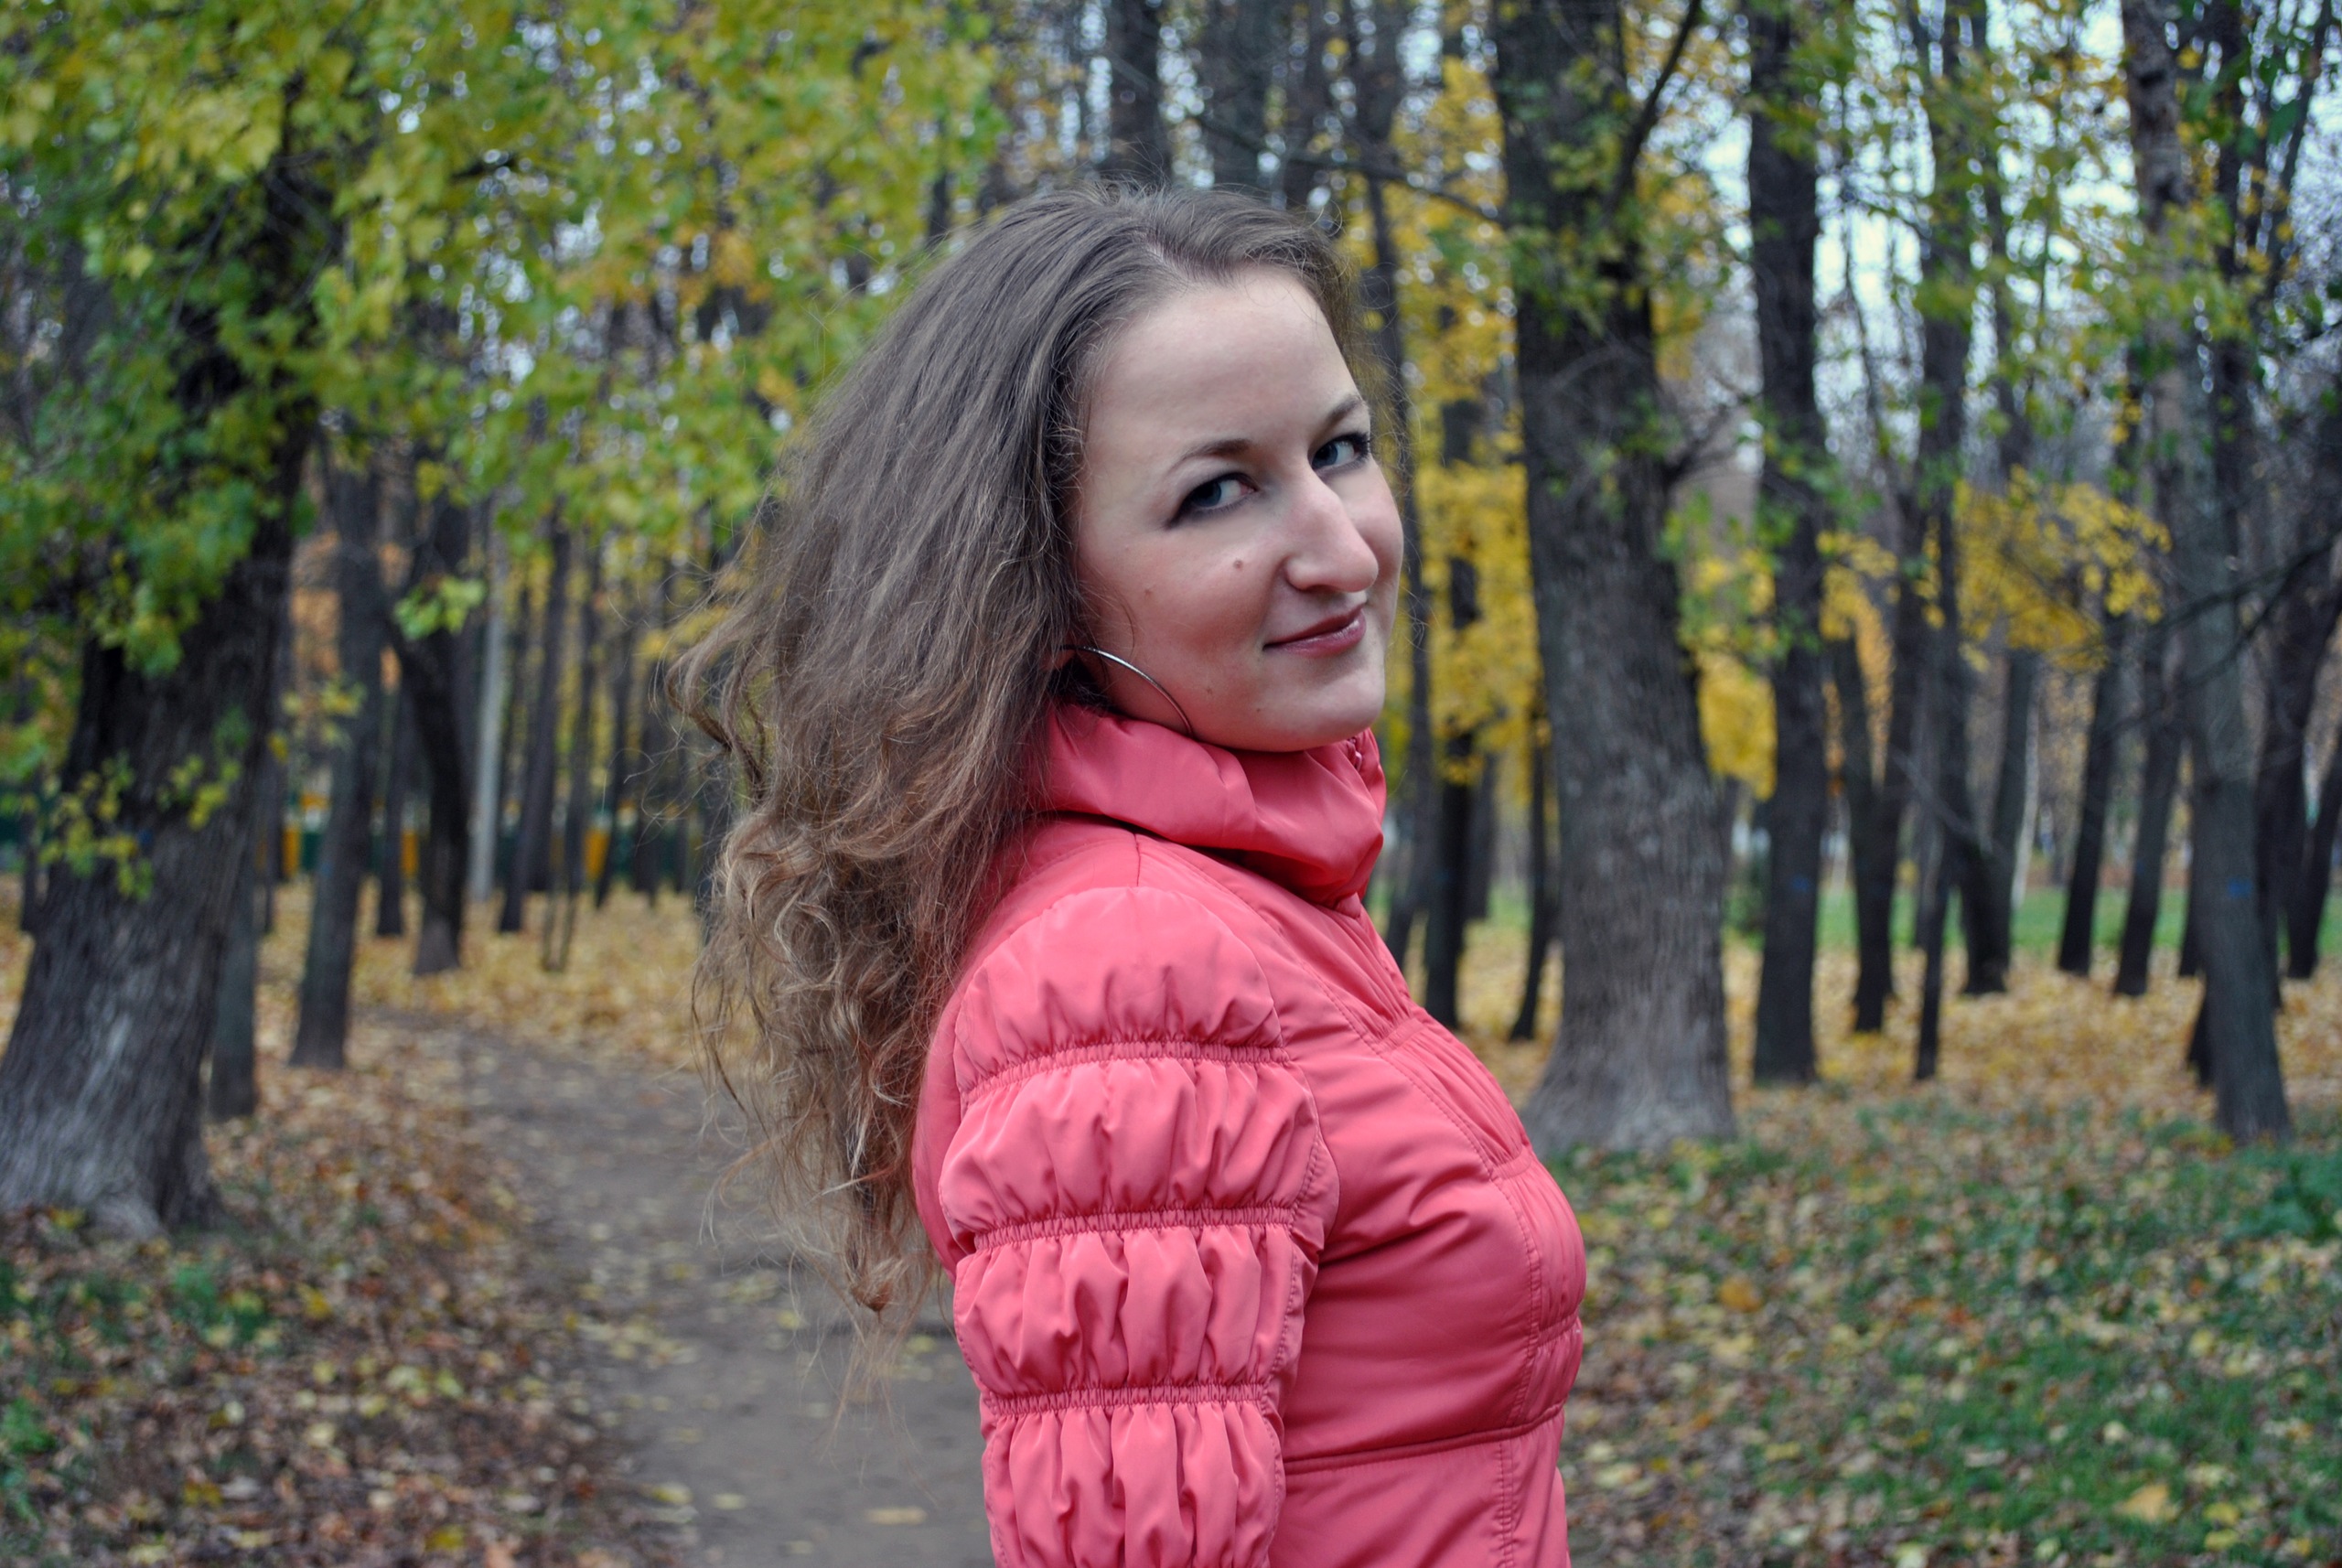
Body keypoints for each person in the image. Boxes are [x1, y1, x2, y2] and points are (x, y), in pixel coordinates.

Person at [688, 187, 1586, 1568]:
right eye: (1216, 491)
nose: (1344, 546)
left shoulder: (1256, 892)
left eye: (1340, 450)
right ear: (1037, 591)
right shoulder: (1130, 959)